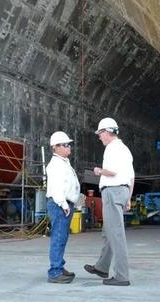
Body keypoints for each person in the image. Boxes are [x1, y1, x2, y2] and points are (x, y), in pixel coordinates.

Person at [84, 117, 134, 286]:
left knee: (116, 235)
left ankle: (122, 276)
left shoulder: (112, 149)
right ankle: (102, 267)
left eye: (100, 133)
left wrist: (99, 171)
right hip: (122, 191)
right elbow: (131, 177)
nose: (99, 137)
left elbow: (112, 172)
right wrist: (128, 197)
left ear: (106, 132)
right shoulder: (125, 149)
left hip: (112, 191)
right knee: (109, 232)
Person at [45, 131, 80, 284]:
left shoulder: (63, 162)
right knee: (58, 238)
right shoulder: (56, 165)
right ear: (56, 147)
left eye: (69, 144)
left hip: (64, 204)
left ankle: (59, 266)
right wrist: (64, 203)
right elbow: (56, 187)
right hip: (60, 204)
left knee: (62, 238)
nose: (69, 147)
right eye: (66, 145)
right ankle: (55, 272)